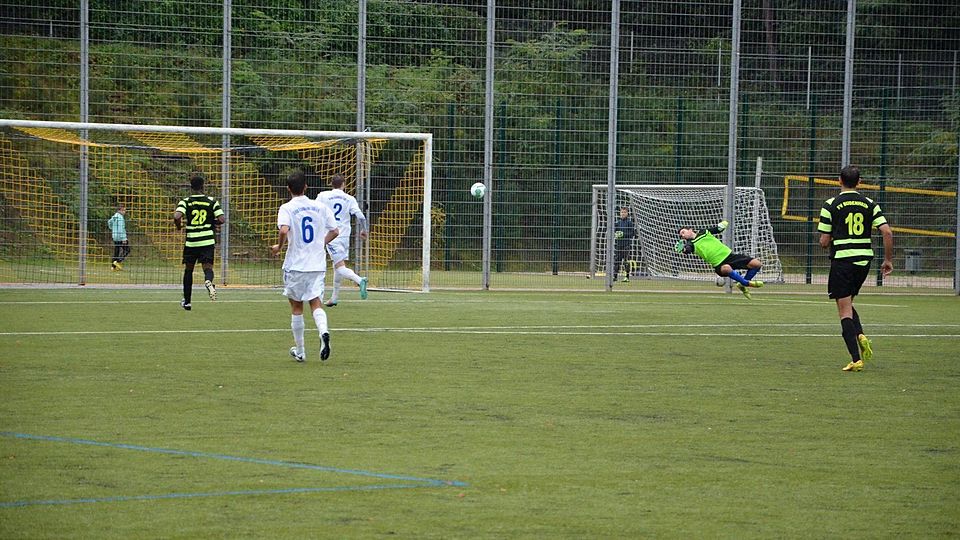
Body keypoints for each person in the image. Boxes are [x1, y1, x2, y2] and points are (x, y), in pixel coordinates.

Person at [818, 165, 894, 372]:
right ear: (859, 182)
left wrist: (832, 236)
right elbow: (887, 232)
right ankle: (860, 335)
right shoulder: (870, 204)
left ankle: (855, 359)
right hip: (864, 261)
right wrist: (888, 260)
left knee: (843, 310)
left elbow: (824, 241)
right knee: (849, 303)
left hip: (843, 261)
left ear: (839, 181)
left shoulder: (830, 204)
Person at [272, 170, 340, 362]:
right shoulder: (320, 207)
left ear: (288, 189)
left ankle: (301, 351)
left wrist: (279, 246)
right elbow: (335, 230)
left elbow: (284, 229)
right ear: (306, 187)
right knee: (315, 302)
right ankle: (324, 332)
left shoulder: (286, 208)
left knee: (296, 307)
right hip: (317, 264)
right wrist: (321, 243)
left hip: (296, 265)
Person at [315, 173, 369, 306]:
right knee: (337, 265)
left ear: (331, 184)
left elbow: (315, 210)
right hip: (344, 236)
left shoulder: (323, 196)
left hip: (331, 235)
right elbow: (360, 216)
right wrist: (364, 230)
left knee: (339, 267)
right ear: (343, 185)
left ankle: (359, 280)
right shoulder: (349, 198)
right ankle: (334, 298)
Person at [173, 174, 224, 311]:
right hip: (207, 240)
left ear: (191, 187)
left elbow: (177, 216)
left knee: (188, 270)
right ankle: (209, 282)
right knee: (208, 268)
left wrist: (179, 226)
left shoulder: (186, 202)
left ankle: (187, 302)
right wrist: (212, 223)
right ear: (203, 186)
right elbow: (222, 219)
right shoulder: (211, 201)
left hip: (192, 242)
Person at [675, 220, 764, 299]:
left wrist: (722, 225)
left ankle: (741, 284)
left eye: (683, 232)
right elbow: (687, 249)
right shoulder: (691, 244)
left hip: (730, 256)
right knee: (726, 268)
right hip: (719, 264)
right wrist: (683, 249)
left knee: (757, 264)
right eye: (681, 236)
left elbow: (717, 229)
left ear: (690, 229)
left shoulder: (704, 232)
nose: (683, 236)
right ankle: (746, 283)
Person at [613, 207, 637, 282]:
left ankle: (627, 277)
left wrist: (623, 234)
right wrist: (616, 234)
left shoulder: (629, 223)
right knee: (616, 261)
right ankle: (615, 276)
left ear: (627, 213)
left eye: (624, 212)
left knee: (626, 261)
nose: (623, 214)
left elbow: (633, 233)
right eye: (621, 212)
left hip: (626, 244)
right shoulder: (617, 223)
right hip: (618, 245)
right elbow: (613, 231)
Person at [107, 204, 130, 271]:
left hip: (115, 236)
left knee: (116, 251)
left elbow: (109, 222)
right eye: (124, 210)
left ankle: (113, 267)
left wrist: (112, 228)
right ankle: (118, 261)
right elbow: (121, 228)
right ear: (120, 210)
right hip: (120, 237)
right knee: (127, 250)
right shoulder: (120, 218)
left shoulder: (114, 216)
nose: (125, 212)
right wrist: (123, 238)